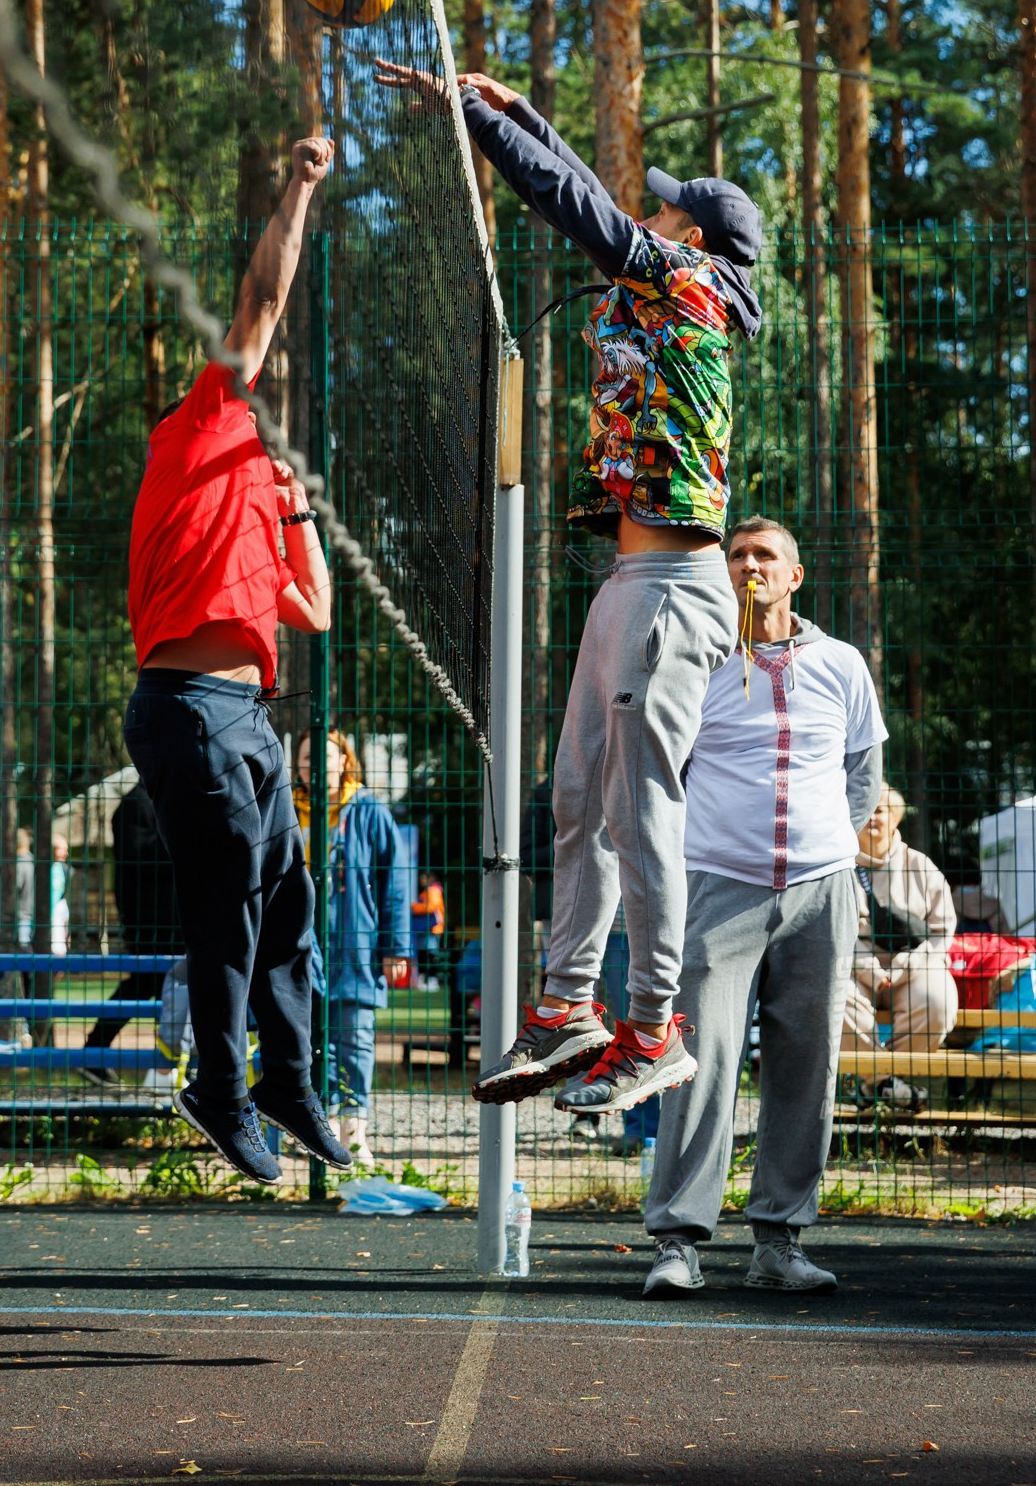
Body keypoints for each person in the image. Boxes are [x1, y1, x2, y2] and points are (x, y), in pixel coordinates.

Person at [376, 59, 761, 1109]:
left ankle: (651, 1030)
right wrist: (519, 112)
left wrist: (475, 126)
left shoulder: (685, 288)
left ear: (695, 243)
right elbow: (592, 194)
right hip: (630, 583)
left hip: (674, 591)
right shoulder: (672, 279)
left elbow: (579, 208)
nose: (653, 210)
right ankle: (566, 1008)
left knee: (640, 810)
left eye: (671, 210)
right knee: (574, 804)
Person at [122, 133, 351, 1186]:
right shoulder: (200, 428)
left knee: (289, 906)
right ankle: (216, 1087)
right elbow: (259, 302)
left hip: (249, 716)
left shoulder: (260, 492)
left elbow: (313, 608)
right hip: (189, 709)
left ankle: (284, 1080)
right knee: (230, 911)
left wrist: (296, 502)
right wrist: (296, 188)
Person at [639, 518, 885, 1297]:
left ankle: (779, 1241)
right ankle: (678, 1243)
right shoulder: (696, 661)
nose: (749, 566)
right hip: (717, 885)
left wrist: (834, 846)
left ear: (794, 577)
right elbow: (661, 773)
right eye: (737, 555)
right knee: (698, 1062)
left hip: (822, 892)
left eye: (763, 556)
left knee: (807, 1065)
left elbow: (864, 770)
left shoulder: (842, 664)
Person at [294, 728, 414, 1167]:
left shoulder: (369, 811)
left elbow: (396, 885)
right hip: (298, 946)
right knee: (306, 1039)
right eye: (307, 759)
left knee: (356, 1039)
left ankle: (354, 1132)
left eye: (324, 758)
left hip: (357, 944)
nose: (314, 767)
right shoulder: (288, 808)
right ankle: (317, 1129)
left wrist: (396, 946)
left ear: (344, 761)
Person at [844, 785, 958, 1082]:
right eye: (865, 809)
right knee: (833, 993)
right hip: (854, 964)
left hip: (914, 965)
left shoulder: (922, 866)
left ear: (895, 818)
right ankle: (881, 1082)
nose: (871, 817)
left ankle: (893, 1079)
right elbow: (831, 933)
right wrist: (867, 967)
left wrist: (906, 966)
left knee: (938, 1000)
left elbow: (942, 932)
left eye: (879, 810)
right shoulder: (838, 868)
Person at [83, 781, 181, 1086]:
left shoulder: (158, 803)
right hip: (150, 924)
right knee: (146, 984)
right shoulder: (136, 805)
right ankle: (95, 1052)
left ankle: (169, 1064)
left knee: (156, 986)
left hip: (168, 922)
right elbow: (140, 855)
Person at [411, 869, 446, 986]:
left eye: (423, 878)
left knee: (430, 954)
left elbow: (431, 907)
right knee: (424, 954)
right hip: (426, 928)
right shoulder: (428, 891)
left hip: (432, 928)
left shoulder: (433, 890)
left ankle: (431, 979)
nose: (421, 881)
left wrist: (414, 907)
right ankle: (425, 979)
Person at [49, 834, 71, 956]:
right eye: (62, 849)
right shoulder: (44, 869)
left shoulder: (65, 870)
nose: (66, 854)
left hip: (59, 914)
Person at [15, 829, 36, 952]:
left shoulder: (19, 865)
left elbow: (15, 889)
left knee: (23, 950)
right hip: (34, 914)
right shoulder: (35, 862)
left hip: (21, 915)